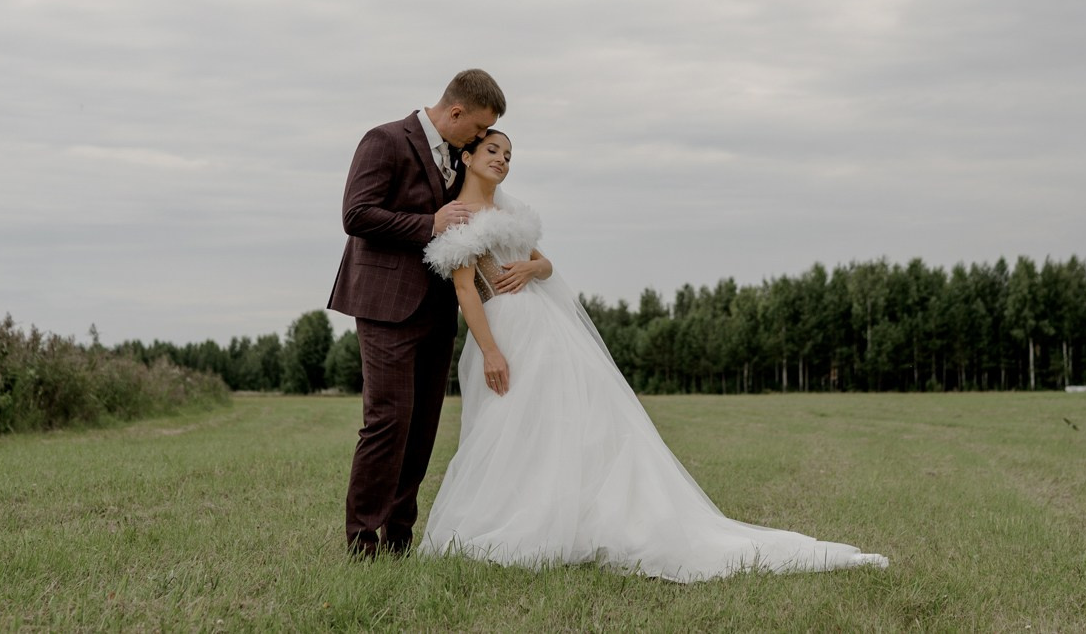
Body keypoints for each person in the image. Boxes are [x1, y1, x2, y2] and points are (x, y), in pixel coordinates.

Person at [418, 129, 889, 581]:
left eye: (508, 155)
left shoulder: (511, 210)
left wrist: (531, 265)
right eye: (493, 151)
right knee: (512, 430)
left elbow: (545, 264)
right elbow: (466, 290)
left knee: (566, 424)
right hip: (503, 331)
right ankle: (518, 519)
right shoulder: (458, 216)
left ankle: (570, 522)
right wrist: (491, 351)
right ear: (468, 157)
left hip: (546, 331)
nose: (502, 160)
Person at [326, 69, 506, 558]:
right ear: (454, 112)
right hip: (385, 304)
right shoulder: (384, 140)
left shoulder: (457, 156)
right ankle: (362, 541)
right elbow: (356, 214)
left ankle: (400, 537)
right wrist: (428, 222)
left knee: (424, 425)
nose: (482, 138)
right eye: (478, 129)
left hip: (438, 307)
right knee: (388, 421)